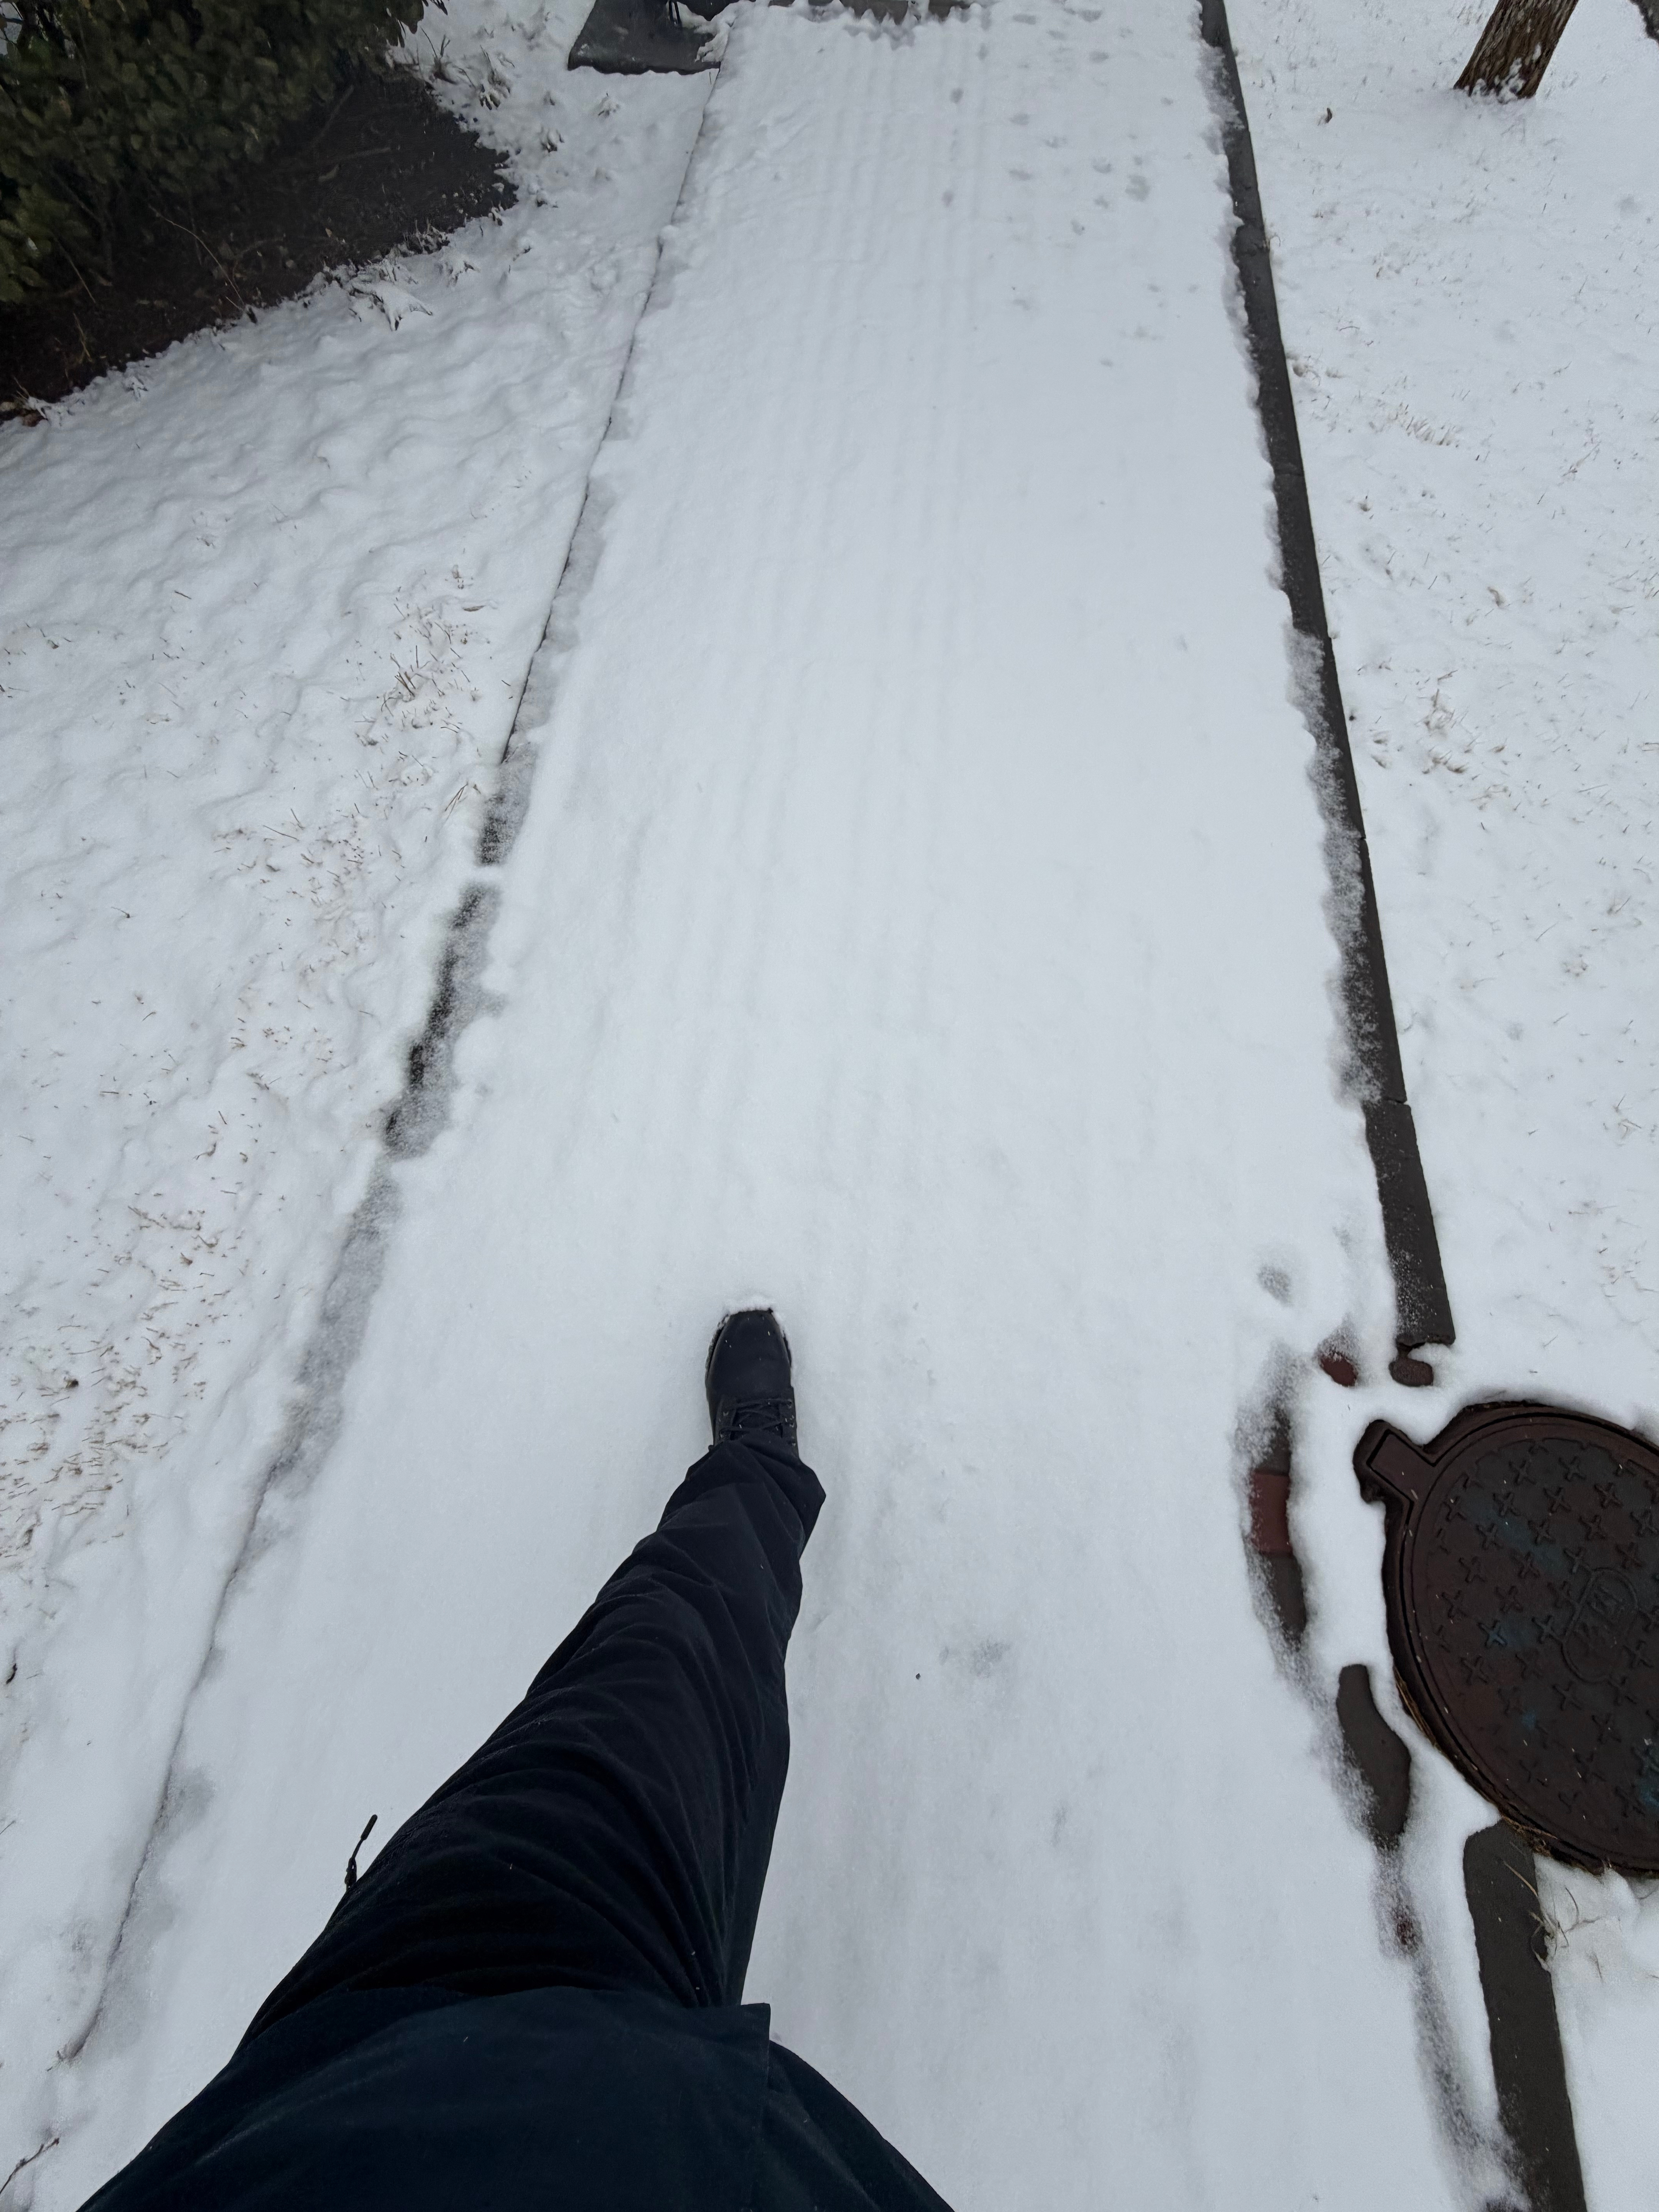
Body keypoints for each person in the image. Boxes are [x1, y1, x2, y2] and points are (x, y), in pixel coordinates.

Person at [83, 1310, 953, 2211]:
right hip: (682, 2136)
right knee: (686, 1650)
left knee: (664, 1650)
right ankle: (760, 1475)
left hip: (360, 2066)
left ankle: (755, 1481)